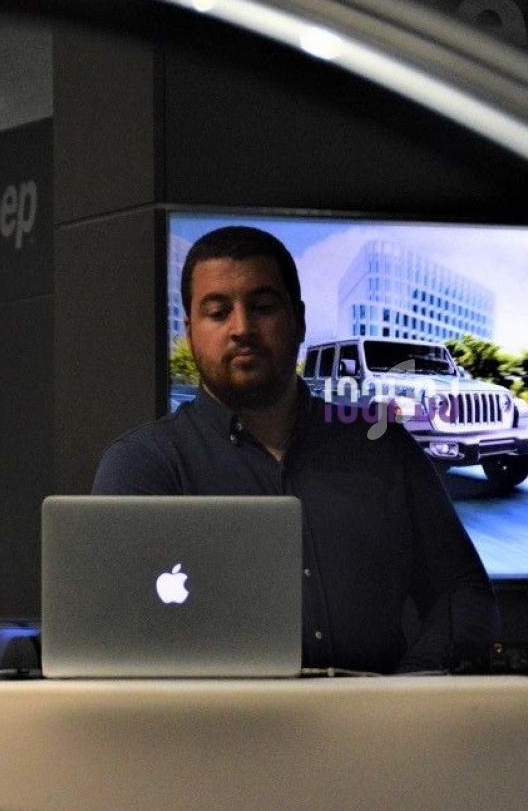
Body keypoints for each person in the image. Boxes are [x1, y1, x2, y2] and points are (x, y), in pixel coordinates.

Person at [92, 225, 499, 673]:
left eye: (263, 307)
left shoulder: (383, 449)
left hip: (373, 731)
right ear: (190, 331)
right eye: (217, 312)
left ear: (299, 320)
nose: (242, 328)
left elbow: (462, 592)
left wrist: (405, 690)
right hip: (215, 737)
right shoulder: (143, 466)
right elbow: (111, 634)